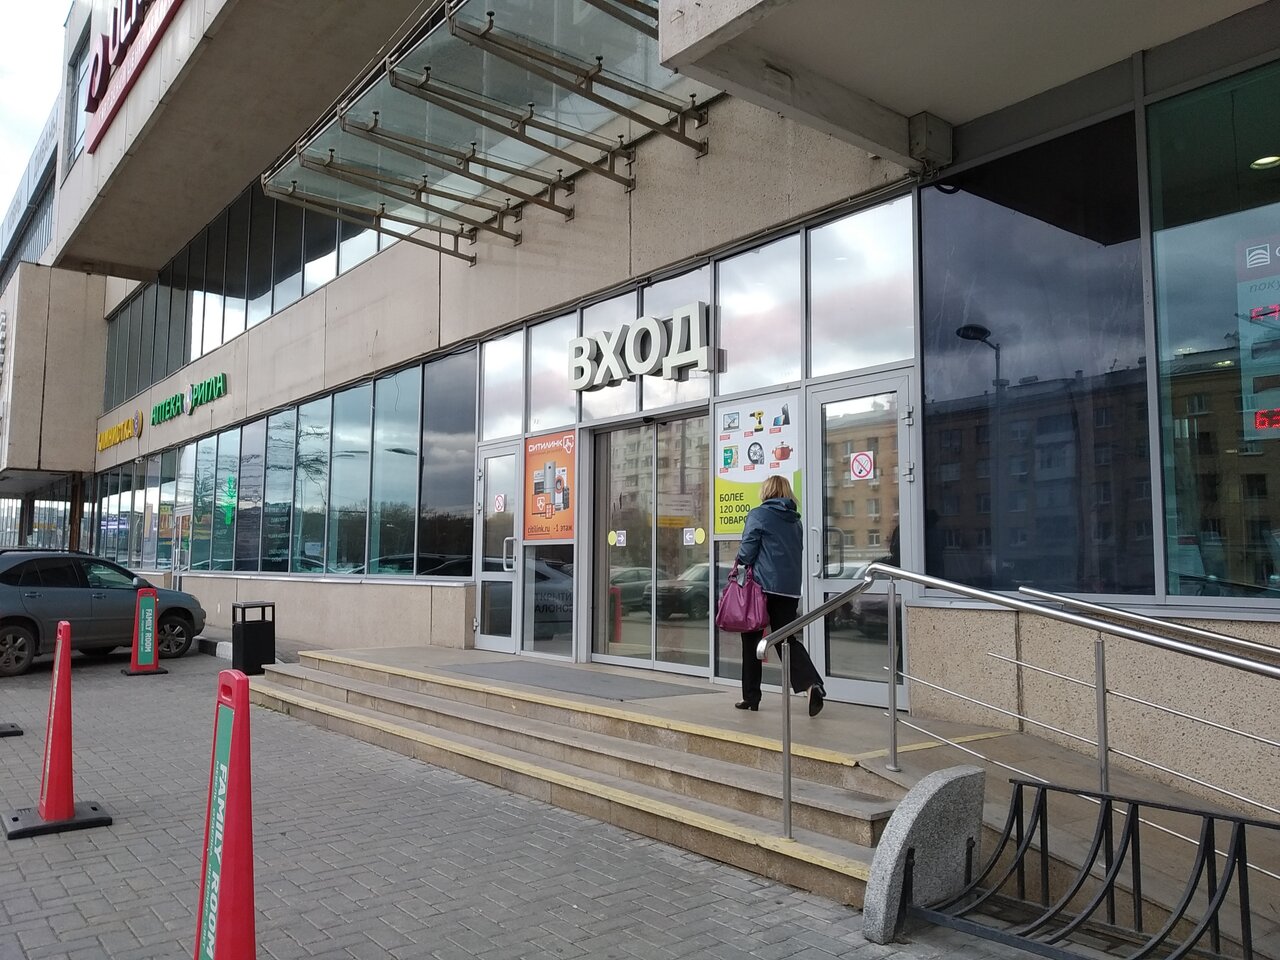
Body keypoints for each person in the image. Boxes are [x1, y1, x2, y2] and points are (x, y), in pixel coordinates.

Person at [734, 475, 826, 716]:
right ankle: (811, 685)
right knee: (786, 638)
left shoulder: (759, 514)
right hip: (790, 589)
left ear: (766, 491)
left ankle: (751, 697)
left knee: (752, 640)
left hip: (762, 588)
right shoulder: (795, 520)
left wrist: (740, 560)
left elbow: (747, 551)